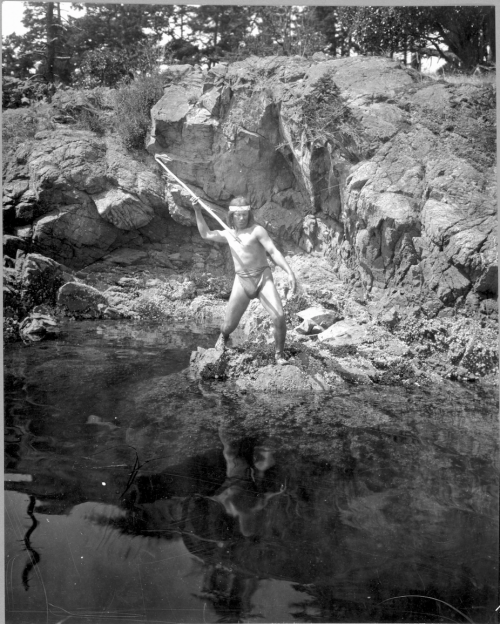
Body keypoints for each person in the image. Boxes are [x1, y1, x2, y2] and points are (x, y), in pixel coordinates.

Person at [190, 196, 296, 364]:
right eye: (237, 215)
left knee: (279, 316)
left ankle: (279, 355)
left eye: (244, 215)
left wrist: (289, 272)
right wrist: (197, 211)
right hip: (241, 282)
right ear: (232, 216)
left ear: (249, 214)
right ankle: (222, 339)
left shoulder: (257, 230)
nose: (241, 218)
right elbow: (206, 234)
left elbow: (273, 251)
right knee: (227, 326)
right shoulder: (228, 234)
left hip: (262, 277)